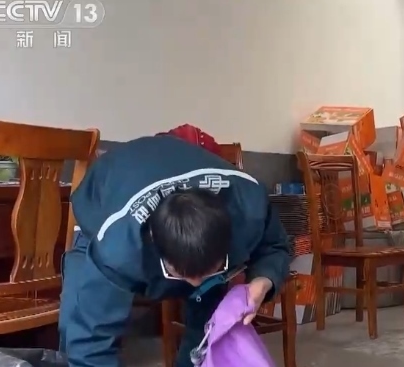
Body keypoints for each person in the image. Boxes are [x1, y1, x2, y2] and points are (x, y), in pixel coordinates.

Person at [58, 134, 291, 367]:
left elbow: (275, 245)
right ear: (154, 243)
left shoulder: (250, 210)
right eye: (181, 274)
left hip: (178, 169)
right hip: (106, 193)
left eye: (211, 270)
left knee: (208, 323)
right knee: (78, 327)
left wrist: (264, 280)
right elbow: (90, 344)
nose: (196, 283)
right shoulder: (118, 248)